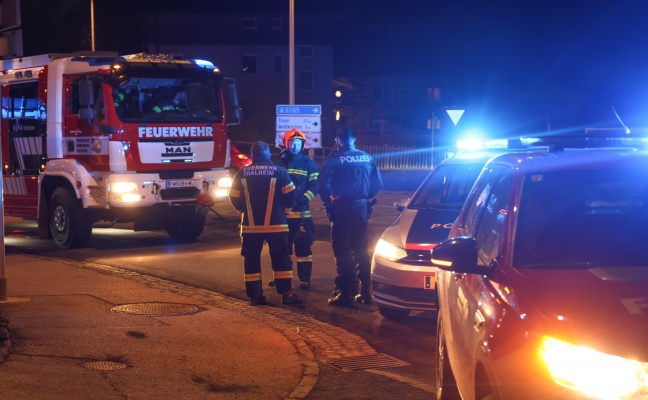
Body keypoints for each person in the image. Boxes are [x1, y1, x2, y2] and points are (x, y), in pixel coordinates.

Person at [318, 126, 383, 307]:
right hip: (361, 209)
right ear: (354, 139)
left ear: (338, 140)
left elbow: (322, 184)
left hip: (342, 209)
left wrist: (329, 199)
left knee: (343, 250)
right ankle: (365, 293)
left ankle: (345, 294)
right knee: (361, 250)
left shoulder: (334, 158)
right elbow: (377, 184)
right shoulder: (367, 157)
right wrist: (364, 196)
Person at [228, 141, 300, 306]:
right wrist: (285, 211)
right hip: (277, 224)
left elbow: (234, 197)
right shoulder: (279, 172)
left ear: (253, 155)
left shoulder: (242, 173)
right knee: (281, 258)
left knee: (251, 259)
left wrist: (244, 210)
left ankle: (255, 296)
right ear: (268, 155)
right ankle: (287, 294)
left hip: (251, 226)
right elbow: (291, 194)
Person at [268, 128, 319, 290]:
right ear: (285, 143)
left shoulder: (308, 163)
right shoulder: (278, 163)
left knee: (303, 249)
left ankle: (304, 279)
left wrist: (306, 197)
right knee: (282, 249)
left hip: (301, 214)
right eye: (292, 143)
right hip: (281, 215)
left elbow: (315, 185)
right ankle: (282, 279)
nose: (295, 146)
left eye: (298, 143)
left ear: (302, 145)